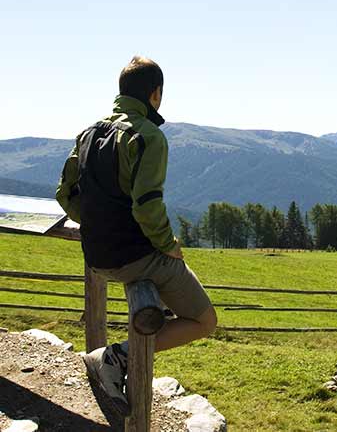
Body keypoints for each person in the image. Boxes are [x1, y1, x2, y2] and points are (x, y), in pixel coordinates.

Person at [55, 56, 218, 418]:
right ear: (155, 94)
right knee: (205, 321)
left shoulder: (88, 133)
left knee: (162, 302)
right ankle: (115, 357)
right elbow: (147, 207)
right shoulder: (148, 136)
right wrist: (168, 245)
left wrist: (97, 224)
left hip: (96, 258)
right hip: (136, 257)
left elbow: (64, 195)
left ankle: (147, 319)